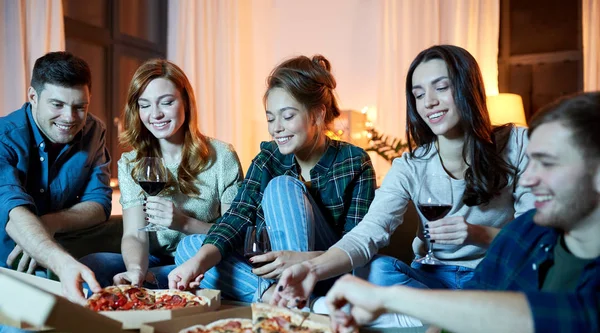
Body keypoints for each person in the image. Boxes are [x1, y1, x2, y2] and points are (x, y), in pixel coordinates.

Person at [324, 91, 600, 333]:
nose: (530, 178)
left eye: (547, 163)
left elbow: (569, 323)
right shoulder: (527, 232)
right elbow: (481, 293)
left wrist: (389, 298)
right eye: (531, 162)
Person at [271, 45, 534, 309]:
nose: (428, 102)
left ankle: (435, 314)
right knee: (376, 270)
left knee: (532, 278)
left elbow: (537, 236)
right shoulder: (411, 165)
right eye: (418, 94)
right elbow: (368, 233)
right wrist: (311, 269)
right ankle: (455, 314)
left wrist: (479, 234)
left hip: (493, 275)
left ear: (468, 88)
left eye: (441, 88)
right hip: (430, 281)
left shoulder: (517, 144)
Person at [168, 55, 376, 303]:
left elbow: (357, 244)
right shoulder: (267, 158)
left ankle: (295, 291)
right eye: (270, 118)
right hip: (272, 269)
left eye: (287, 116)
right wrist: (198, 262)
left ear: (318, 114)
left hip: (325, 270)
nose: (276, 127)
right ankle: (276, 297)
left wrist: (303, 260)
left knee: (282, 186)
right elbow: (237, 218)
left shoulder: (353, 162)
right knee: (190, 250)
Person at [80, 59, 243, 289]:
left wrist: (184, 223)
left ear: (185, 101)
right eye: (144, 105)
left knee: (190, 259)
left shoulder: (222, 157)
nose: (155, 114)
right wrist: (136, 270)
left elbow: (234, 235)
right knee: (91, 266)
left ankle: (156, 281)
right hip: (154, 260)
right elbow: (136, 235)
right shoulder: (132, 163)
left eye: (166, 102)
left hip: (204, 259)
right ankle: (147, 281)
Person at [0, 51, 113, 304]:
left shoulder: (95, 131)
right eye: (57, 105)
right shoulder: (3, 137)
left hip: (63, 266)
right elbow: (12, 211)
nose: (70, 118)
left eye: (80, 107)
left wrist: (47, 224)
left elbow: (99, 204)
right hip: (6, 271)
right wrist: (62, 264)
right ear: (33, 97)